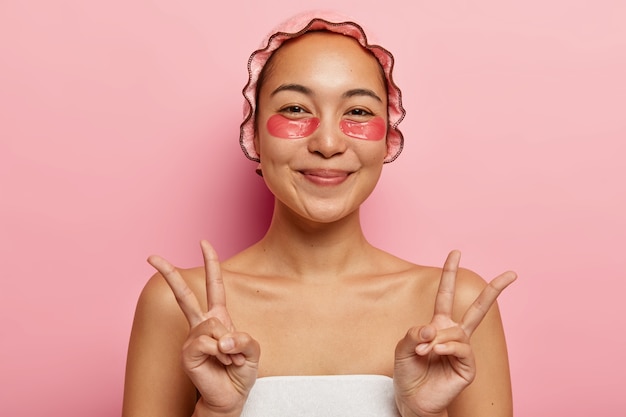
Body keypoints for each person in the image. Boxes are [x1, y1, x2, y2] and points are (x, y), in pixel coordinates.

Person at [122, 10, 517, 417]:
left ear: (389, 139)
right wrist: (216, 413)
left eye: (358, 112)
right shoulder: (179, 307)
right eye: (295, 109)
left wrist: (424, 415)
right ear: (254, 133)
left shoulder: (457, 311)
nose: (327, 142)